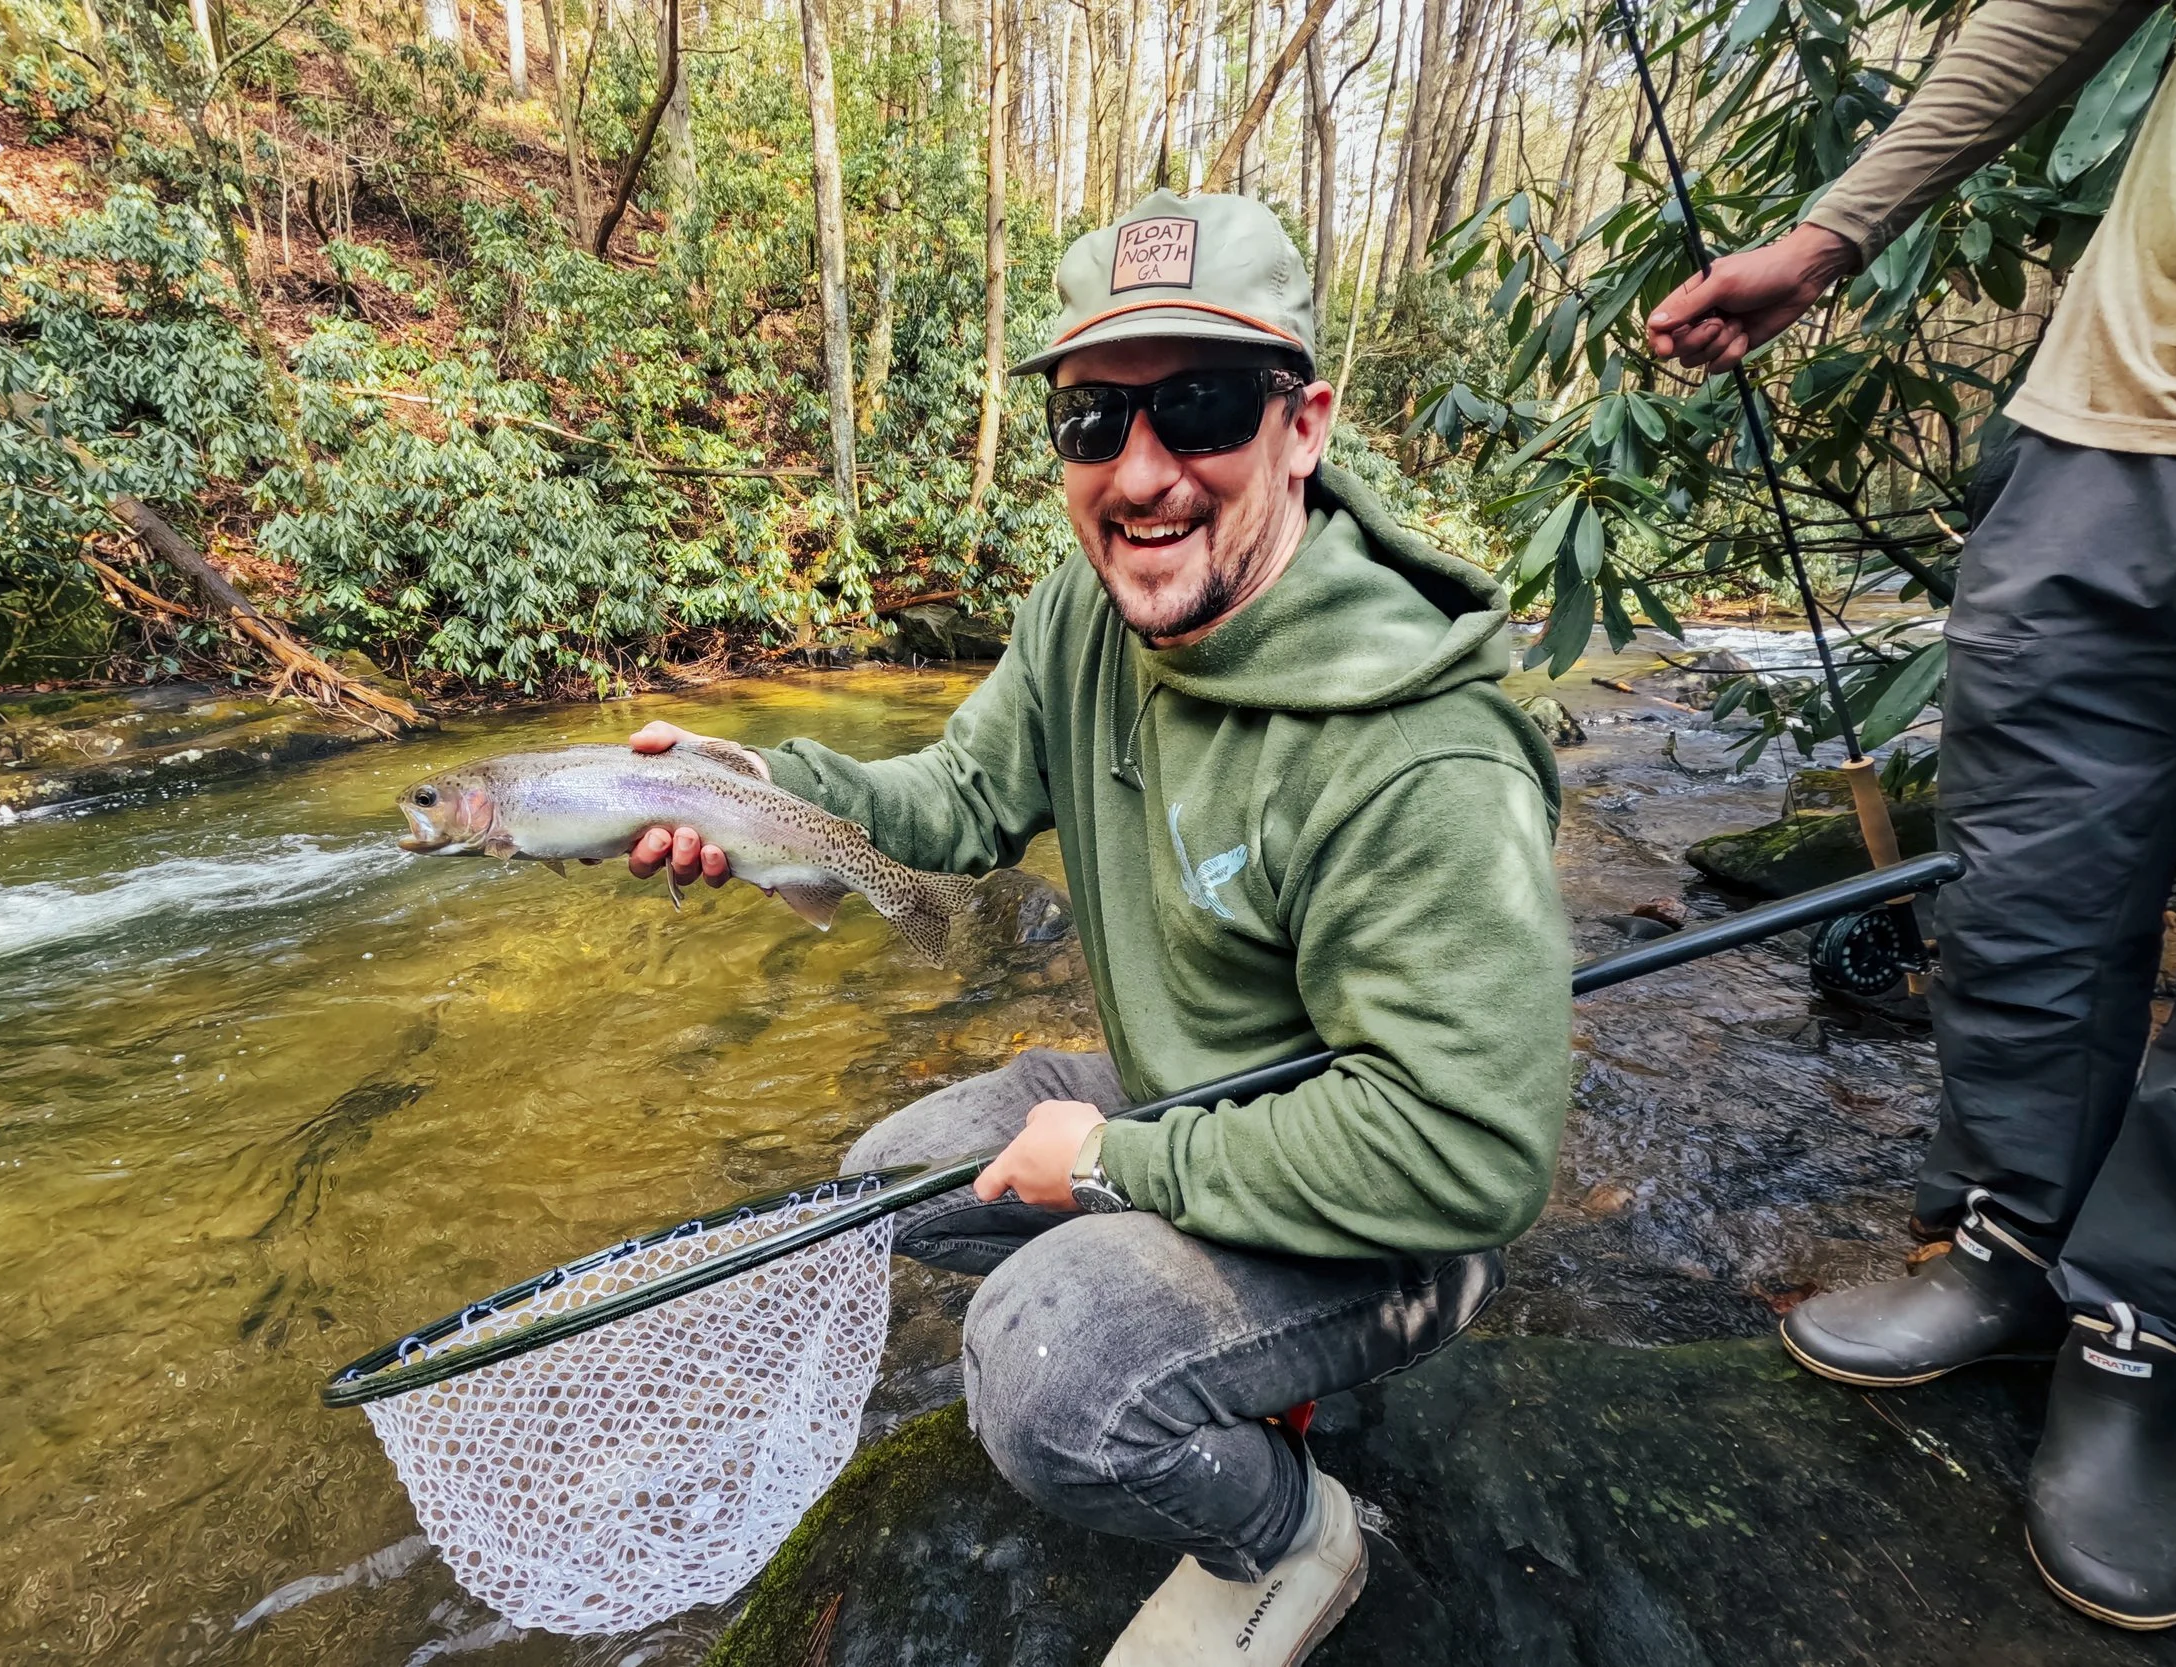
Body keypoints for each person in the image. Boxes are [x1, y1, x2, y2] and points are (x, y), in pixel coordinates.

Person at [620, 189, 1572, 1664]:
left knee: (1044, 1373)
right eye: (1090, 422)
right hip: (1192, 1102)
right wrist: (757, 793)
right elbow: (952, 795)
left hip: (1391, 1216)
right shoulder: (1085, 610)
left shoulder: (1423, 760)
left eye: (1196, 407)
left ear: (1301, 424)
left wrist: (1117, 1163)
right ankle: (1230, 1368)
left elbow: (1467, 1154)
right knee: (875, 1187)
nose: (1141, 474)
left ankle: (1291, 1530)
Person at [1644, 0, 2176, 1632]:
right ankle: (2014, 1247)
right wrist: (1833, 232)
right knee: (2030, 882)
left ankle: (2154, 1332)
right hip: (2126, 400)